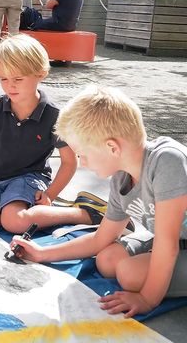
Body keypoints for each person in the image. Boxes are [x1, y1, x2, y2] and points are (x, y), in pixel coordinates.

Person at [11, 86, 187, 318]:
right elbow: (100, 239)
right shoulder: (121, 178)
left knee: (129, 274)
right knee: (106, 260)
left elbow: (167, 244)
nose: (82, 162)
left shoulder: (167, 161)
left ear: (112, 147)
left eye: (83, 153)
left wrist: (147, 298)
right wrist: (43, 253)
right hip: (173, 238)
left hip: (171, 241)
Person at [0, 34, 79, 234]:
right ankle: (14, 211)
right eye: (3, 78)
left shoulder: (54, 115)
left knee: (14, 221)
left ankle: (78, 213)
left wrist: (50, 195)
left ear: (41, 73)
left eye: (18, 79)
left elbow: (70, 161)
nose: (10, 85)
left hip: (29, 177)